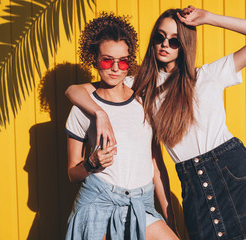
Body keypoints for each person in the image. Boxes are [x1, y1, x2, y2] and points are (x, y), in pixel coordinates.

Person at [66, 6, 246, 240]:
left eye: (174, 41)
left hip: (232, 171)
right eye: (160, 37)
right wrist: (100, 114)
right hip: (191, 179)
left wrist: (209, 18)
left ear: (185, 44)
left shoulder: (208, 75)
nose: (165, 45)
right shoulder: (141, 84)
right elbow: (74, 90)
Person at [64, 12, 178, 240]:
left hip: (140, 203)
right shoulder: (83, 107)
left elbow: (156, 165)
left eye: (123, 61)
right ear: (94, 58)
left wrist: (169, 217)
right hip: (98, 201)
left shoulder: (143, 100)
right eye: (107, 60)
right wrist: (91, 163)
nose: (115, 68)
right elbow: (72, 174)